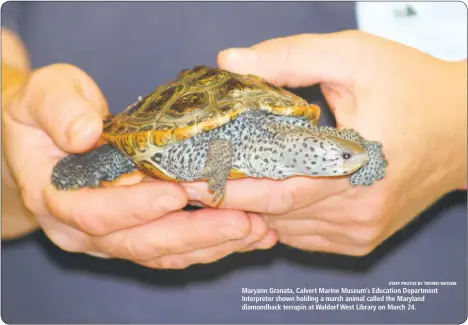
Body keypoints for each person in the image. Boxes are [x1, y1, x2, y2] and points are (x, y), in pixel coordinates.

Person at [2, 2, 466, 323]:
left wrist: (451, 135)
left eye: (343, 156)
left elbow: (355, 145)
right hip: (61, 306)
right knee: (118, 158)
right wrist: (10, 143)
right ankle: (99, 161)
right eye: (341, 155)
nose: (346, 159)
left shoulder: (309, 137)